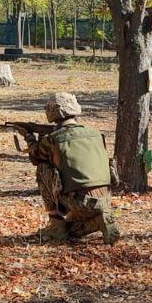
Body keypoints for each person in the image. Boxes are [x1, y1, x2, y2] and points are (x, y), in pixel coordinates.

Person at [26, 92, 120, 244]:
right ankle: (98, 220)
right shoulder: (96, 134)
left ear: (52, 112)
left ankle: (56, 224)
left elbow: (35, 158)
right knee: (73, 230)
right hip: (105, 199)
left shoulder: (53, 139)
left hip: (79, 202)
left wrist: (30, 138)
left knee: (43, 168)